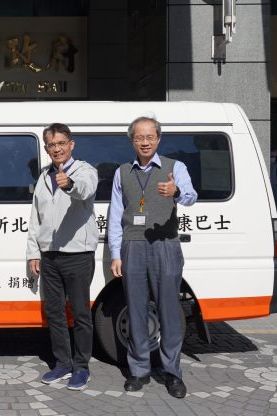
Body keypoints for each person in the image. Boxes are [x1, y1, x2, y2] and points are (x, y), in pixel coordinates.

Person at [108, 115, 197, 398]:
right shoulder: (122, 172)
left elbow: (191, 196)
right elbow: (115, 215)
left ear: (158, 139)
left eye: (150, 136)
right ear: (132, 141)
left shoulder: (175, 167)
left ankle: (172, 373)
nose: (145, 142)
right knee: (135, 309)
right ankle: (139, 370)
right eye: (139, 137)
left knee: (169, 310)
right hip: (132, 245)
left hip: (165, 244)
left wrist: (176, 191)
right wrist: (115, 254)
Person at [27, 123, 99, 391]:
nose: (56, 149)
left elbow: (86, 190)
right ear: (46, 148)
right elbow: (36, 218)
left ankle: (81, 367)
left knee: (80, 314)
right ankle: (62, 364)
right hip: (50, 255)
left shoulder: (85, 171)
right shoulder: (44, 176)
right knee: (54, 312)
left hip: (78, 254)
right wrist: (34, 252)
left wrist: (69, 184)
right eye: (51, 145)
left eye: (61, 143)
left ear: (71, 144)